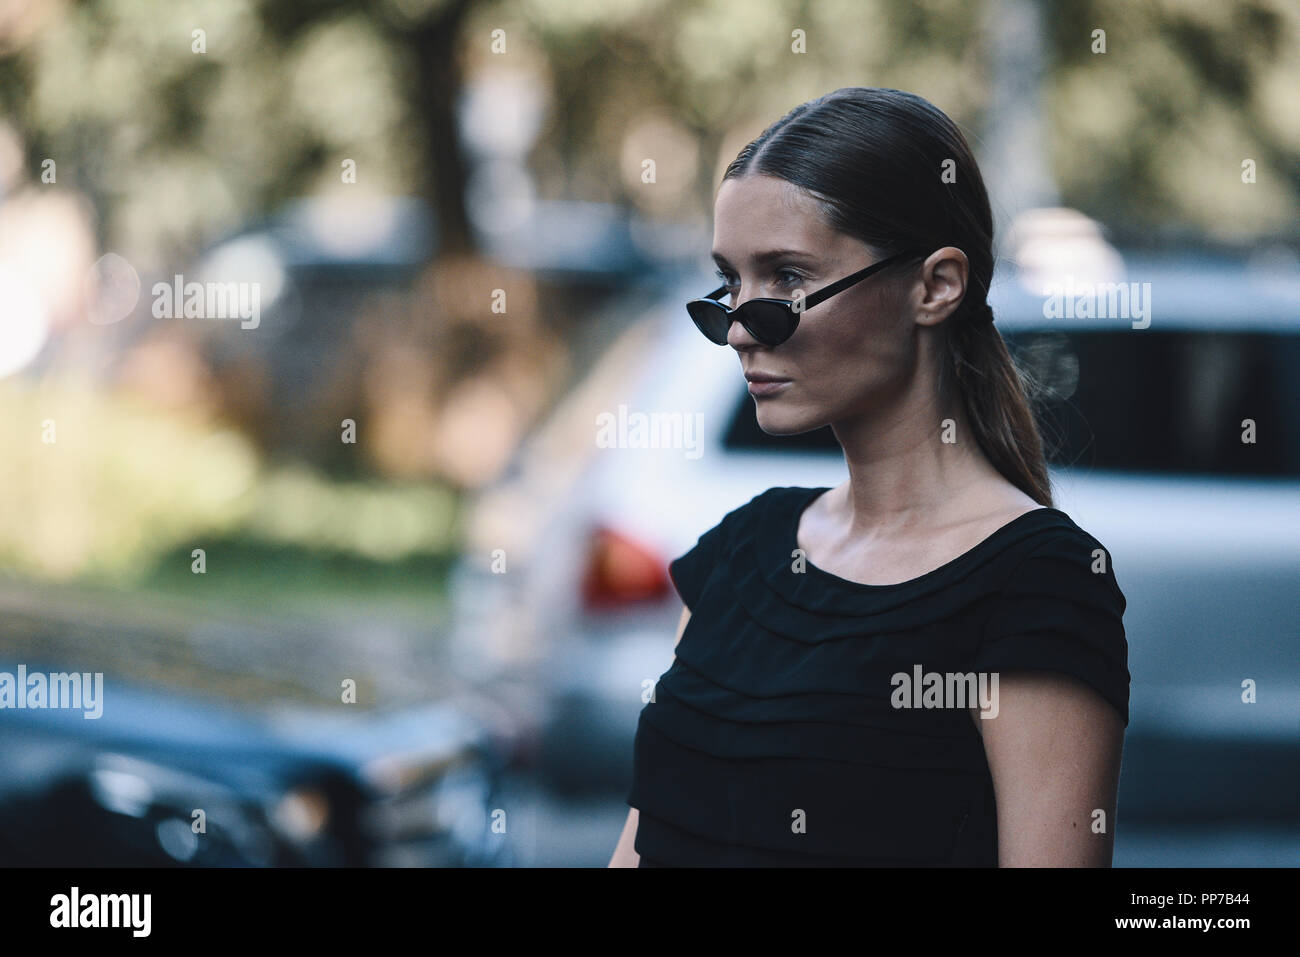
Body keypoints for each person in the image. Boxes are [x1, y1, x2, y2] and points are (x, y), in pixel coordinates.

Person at [608, 87, 1129, 867]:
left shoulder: (1037, 584)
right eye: (731, 281)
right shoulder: (741, 551)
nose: (742, 326)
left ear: (935, 285)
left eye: (786, 277)